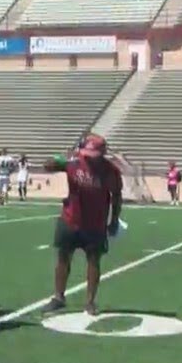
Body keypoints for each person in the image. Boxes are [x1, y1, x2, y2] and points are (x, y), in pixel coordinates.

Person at [43, 133, 123, 316]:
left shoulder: (111, 171)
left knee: (94, 261)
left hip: (95, 223)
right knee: (63, 258)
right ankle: (58, 297)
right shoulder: (74, 163)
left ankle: (90, 301)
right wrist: (59, 159)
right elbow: (47, 165)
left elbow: (117, 197)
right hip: (70, 219)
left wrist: (115, 220)